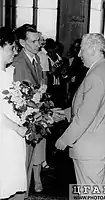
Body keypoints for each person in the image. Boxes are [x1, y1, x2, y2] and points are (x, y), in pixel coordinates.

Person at [55, 33, 105, 185]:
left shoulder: (96, 76)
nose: (79, 54)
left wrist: (64, 140)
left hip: (90, 146)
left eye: (81, 50)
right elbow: (94, 106)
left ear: (93, 49)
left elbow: (85, 116)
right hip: (97, 144)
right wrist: (64, 113)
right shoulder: (103, 71)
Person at [13, 24, 46, 194]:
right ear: (22, 42)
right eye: (33, 41)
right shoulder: (18, 63)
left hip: (35, 119)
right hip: (24, 121)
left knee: (29, 159)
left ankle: (24, 193)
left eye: (38, 40)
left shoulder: (37, 59)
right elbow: (17, 97)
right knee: (22, 162)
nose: (38, 44)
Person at [0, 27, 27, 200]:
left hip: (11, 136)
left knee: (10, 184)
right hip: (4, 134)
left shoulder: (8, 73)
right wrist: (17, 127)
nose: (14, 53)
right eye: (11, 48)